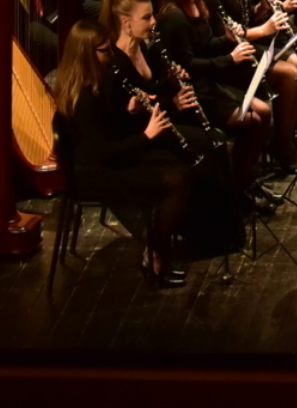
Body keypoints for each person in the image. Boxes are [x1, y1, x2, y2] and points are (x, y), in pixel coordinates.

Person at [97, 0, 245, 263]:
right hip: (138, 140)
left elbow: (154, 96)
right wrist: (156, 106)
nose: (154, 23)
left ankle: (221, 235)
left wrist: (171, 90)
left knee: (214, 142)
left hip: (160, 124)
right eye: (147, 18)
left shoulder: (146, 48)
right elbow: (115, 120)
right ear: (126, 23)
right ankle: (199, 236)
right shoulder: (114, 65)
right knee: (202, 153)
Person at [52, 18, 195, 287]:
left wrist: (130, 111)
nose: (110, 56)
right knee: (175, 181)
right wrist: (146, 135)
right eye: (105, 51)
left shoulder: (93, 82)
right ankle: (155, 255)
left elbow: (106, 131)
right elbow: (101, 152)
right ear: (87, 54)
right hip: (92, 175)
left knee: (175, 166)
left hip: (103, 164)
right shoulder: (82, 98)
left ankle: (155, 244)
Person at [153, 0, 277, 207]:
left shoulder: (197, 4)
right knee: (252, 120)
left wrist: (226, 40)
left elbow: (205, 45)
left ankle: (245, 179)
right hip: (195, 93)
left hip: (209, 83)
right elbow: (189, 63)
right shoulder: (174, 16)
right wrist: (229, 59)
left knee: (264, 111)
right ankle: (237, 188)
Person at [194, 0, 297, 179]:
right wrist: (265, 29)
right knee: (289, 75)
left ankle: (285, 140)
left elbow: (245, 16)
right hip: (229, 57)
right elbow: (226, 33)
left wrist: (264, 9)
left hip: (247, 43)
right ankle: (281, 149)